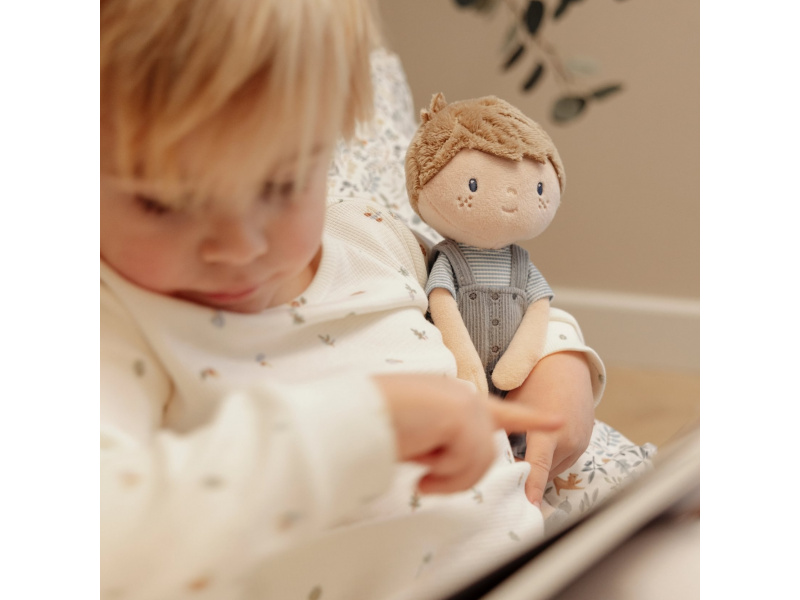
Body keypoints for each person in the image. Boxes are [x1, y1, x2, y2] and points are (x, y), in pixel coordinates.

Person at [100, 1, 654, 598]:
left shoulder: (367, 233)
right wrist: (362, 428)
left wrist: (559, 361)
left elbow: (487, 291)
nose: (241, 246)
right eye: (164, 203)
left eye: (283, 185)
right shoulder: (112, 322)